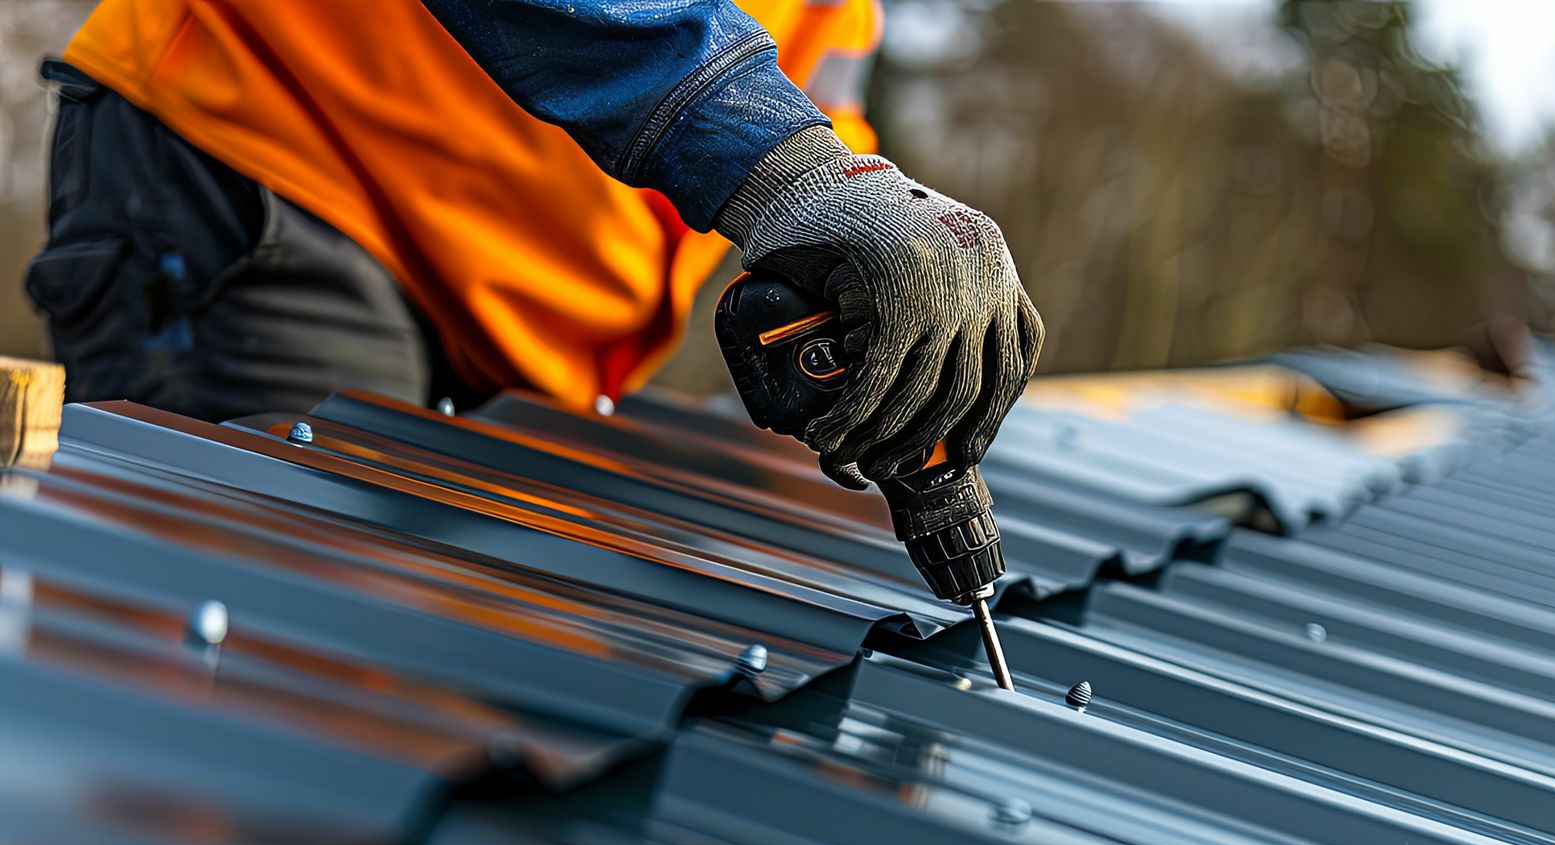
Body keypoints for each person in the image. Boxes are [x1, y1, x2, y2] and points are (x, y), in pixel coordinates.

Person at [24, 0, 1042, 488]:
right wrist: (788, 170)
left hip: (524, 309)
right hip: (282, 155)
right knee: (290, 696)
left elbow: (817, 84)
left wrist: (868, 225)